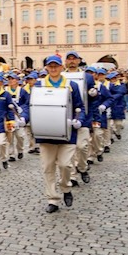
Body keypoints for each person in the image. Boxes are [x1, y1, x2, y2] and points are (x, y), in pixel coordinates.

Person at [34, 56, 85, 213]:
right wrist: (24, 117)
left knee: (65, 165)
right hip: (45, 132)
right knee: (48, 167)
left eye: (56, 66)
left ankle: (65, 187)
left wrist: (78, 120)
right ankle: (52, 199)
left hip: (67, 133)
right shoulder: (39, 85)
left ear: (61, 67)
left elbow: (80, 107)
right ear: (46, 68)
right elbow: (30, 104)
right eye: (50, 66)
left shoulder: (72, 85)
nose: (53, 68)